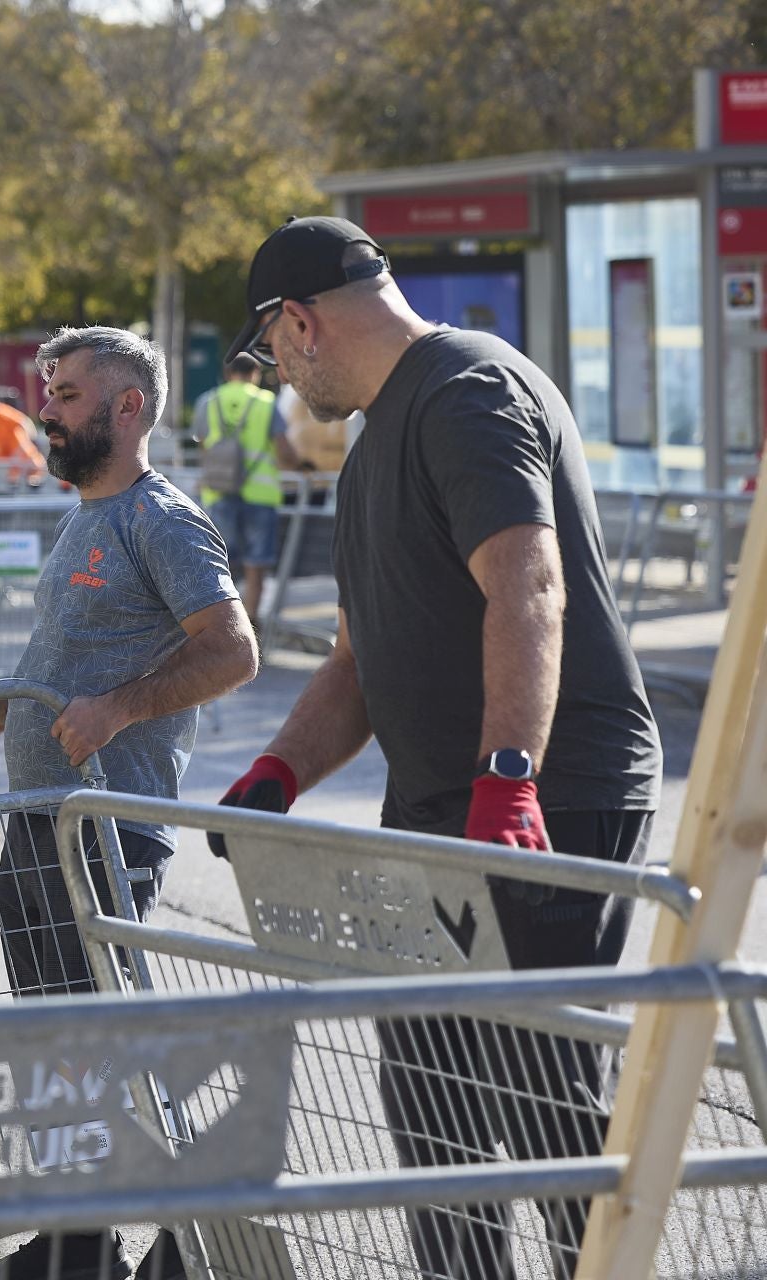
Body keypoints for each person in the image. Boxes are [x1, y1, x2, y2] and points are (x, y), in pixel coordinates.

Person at [215, 216, 662, 1280]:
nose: (276, 371)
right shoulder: (374, 441)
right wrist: (276, 773)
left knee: (543, 1093)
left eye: (271, 346)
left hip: (547, 794)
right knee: (432, 1097)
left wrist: (508, 780)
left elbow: (529, 586)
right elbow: (356, 662)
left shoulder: (467, 390)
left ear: (300, 321)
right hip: (434, 808)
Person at [0, 327, 257, 1280]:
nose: (47, 410)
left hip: (108, 832)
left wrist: (122, 709)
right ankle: (77, 1244)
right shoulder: (84, 517)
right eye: (50, 393)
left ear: (128, 406)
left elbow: (234, 651)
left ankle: (193, 1246)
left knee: (102, 1047)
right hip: (42, 818)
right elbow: (59, 666)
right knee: (58, 1050)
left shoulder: (162, 520)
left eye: (67, 394)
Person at [194, 353, 300, 622]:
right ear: (255, 373)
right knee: (257, 562)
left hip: (218, 491)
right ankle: (251, 622)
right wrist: (302, 466)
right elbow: (284, 449)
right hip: (260, 493)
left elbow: (203, 445)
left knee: (220, 561)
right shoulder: (266, 402)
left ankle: (222, 622)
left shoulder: (208, 401)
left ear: (228, 373)